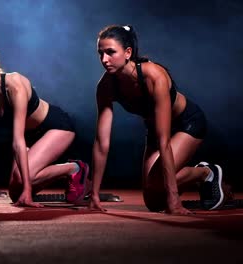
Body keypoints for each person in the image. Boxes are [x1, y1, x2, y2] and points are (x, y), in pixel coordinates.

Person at [89, 25, 225, 214]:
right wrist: (94, 194)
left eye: (110, 52)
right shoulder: (105, 86)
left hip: (187, 123)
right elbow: (101, 143)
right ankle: (195, 177)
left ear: (128, 52)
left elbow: (164, 140)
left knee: (160, 185)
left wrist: (174, 199)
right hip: (155, 129)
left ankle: (205, 173)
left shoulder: (154, 75)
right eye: (100, 53)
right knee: (153, 201)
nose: (104, 60)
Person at [0, 33, 89, 207]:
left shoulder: (14, 84)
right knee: (16, 194)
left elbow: (17, 140)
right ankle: (36, 182)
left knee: (26, 181)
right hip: (28, 135)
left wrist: (28, 190)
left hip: (55, 127)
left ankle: (75, 169)